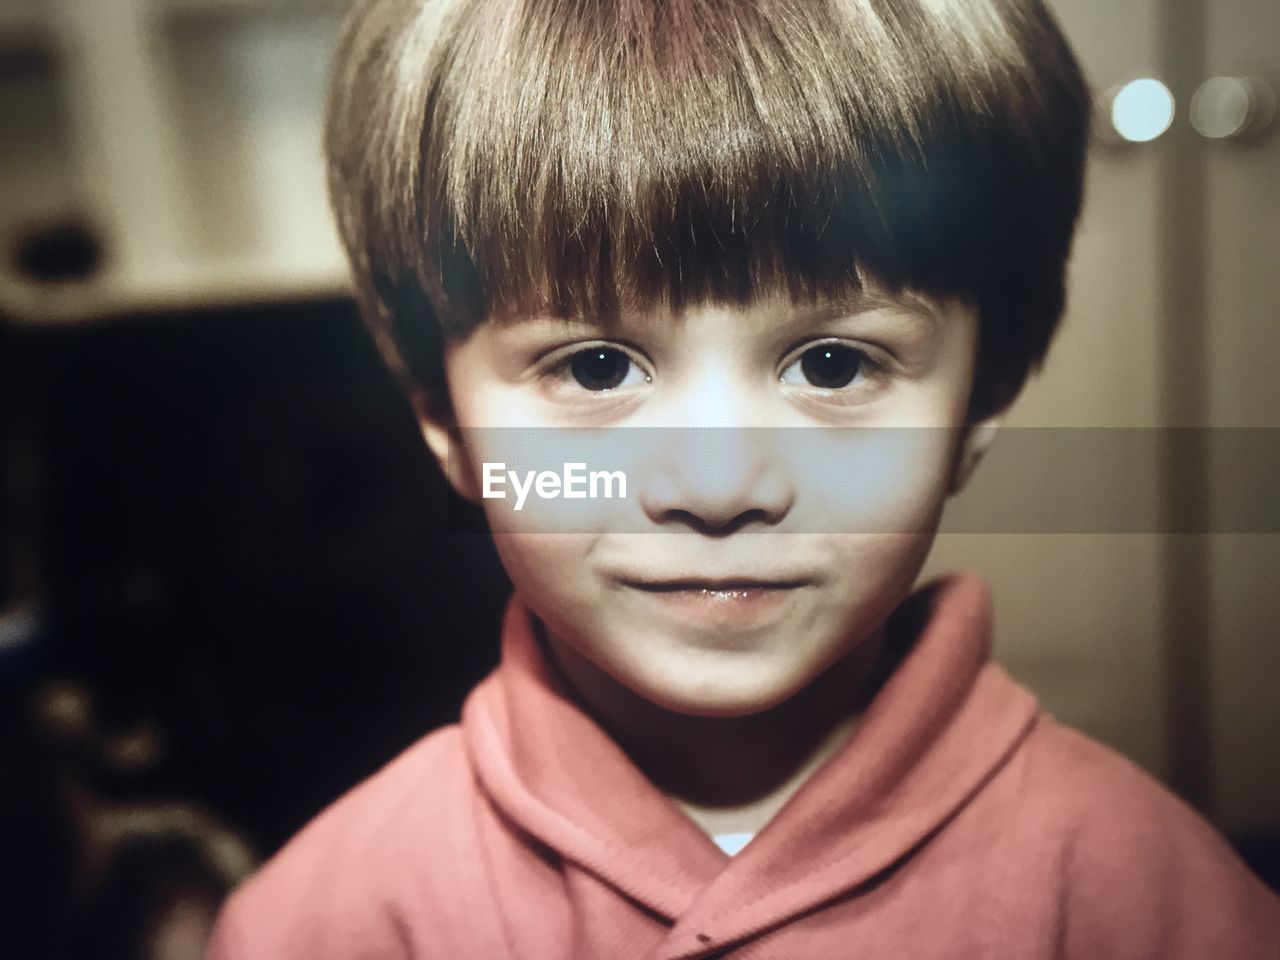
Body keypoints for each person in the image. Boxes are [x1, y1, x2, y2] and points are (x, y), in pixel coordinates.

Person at [206, 0, 1280, 956]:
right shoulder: (320, 924)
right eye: (592, 366)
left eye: (831, 365)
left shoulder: (1150, 900)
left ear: (977, 409)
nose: (718, 487)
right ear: (445, 421)